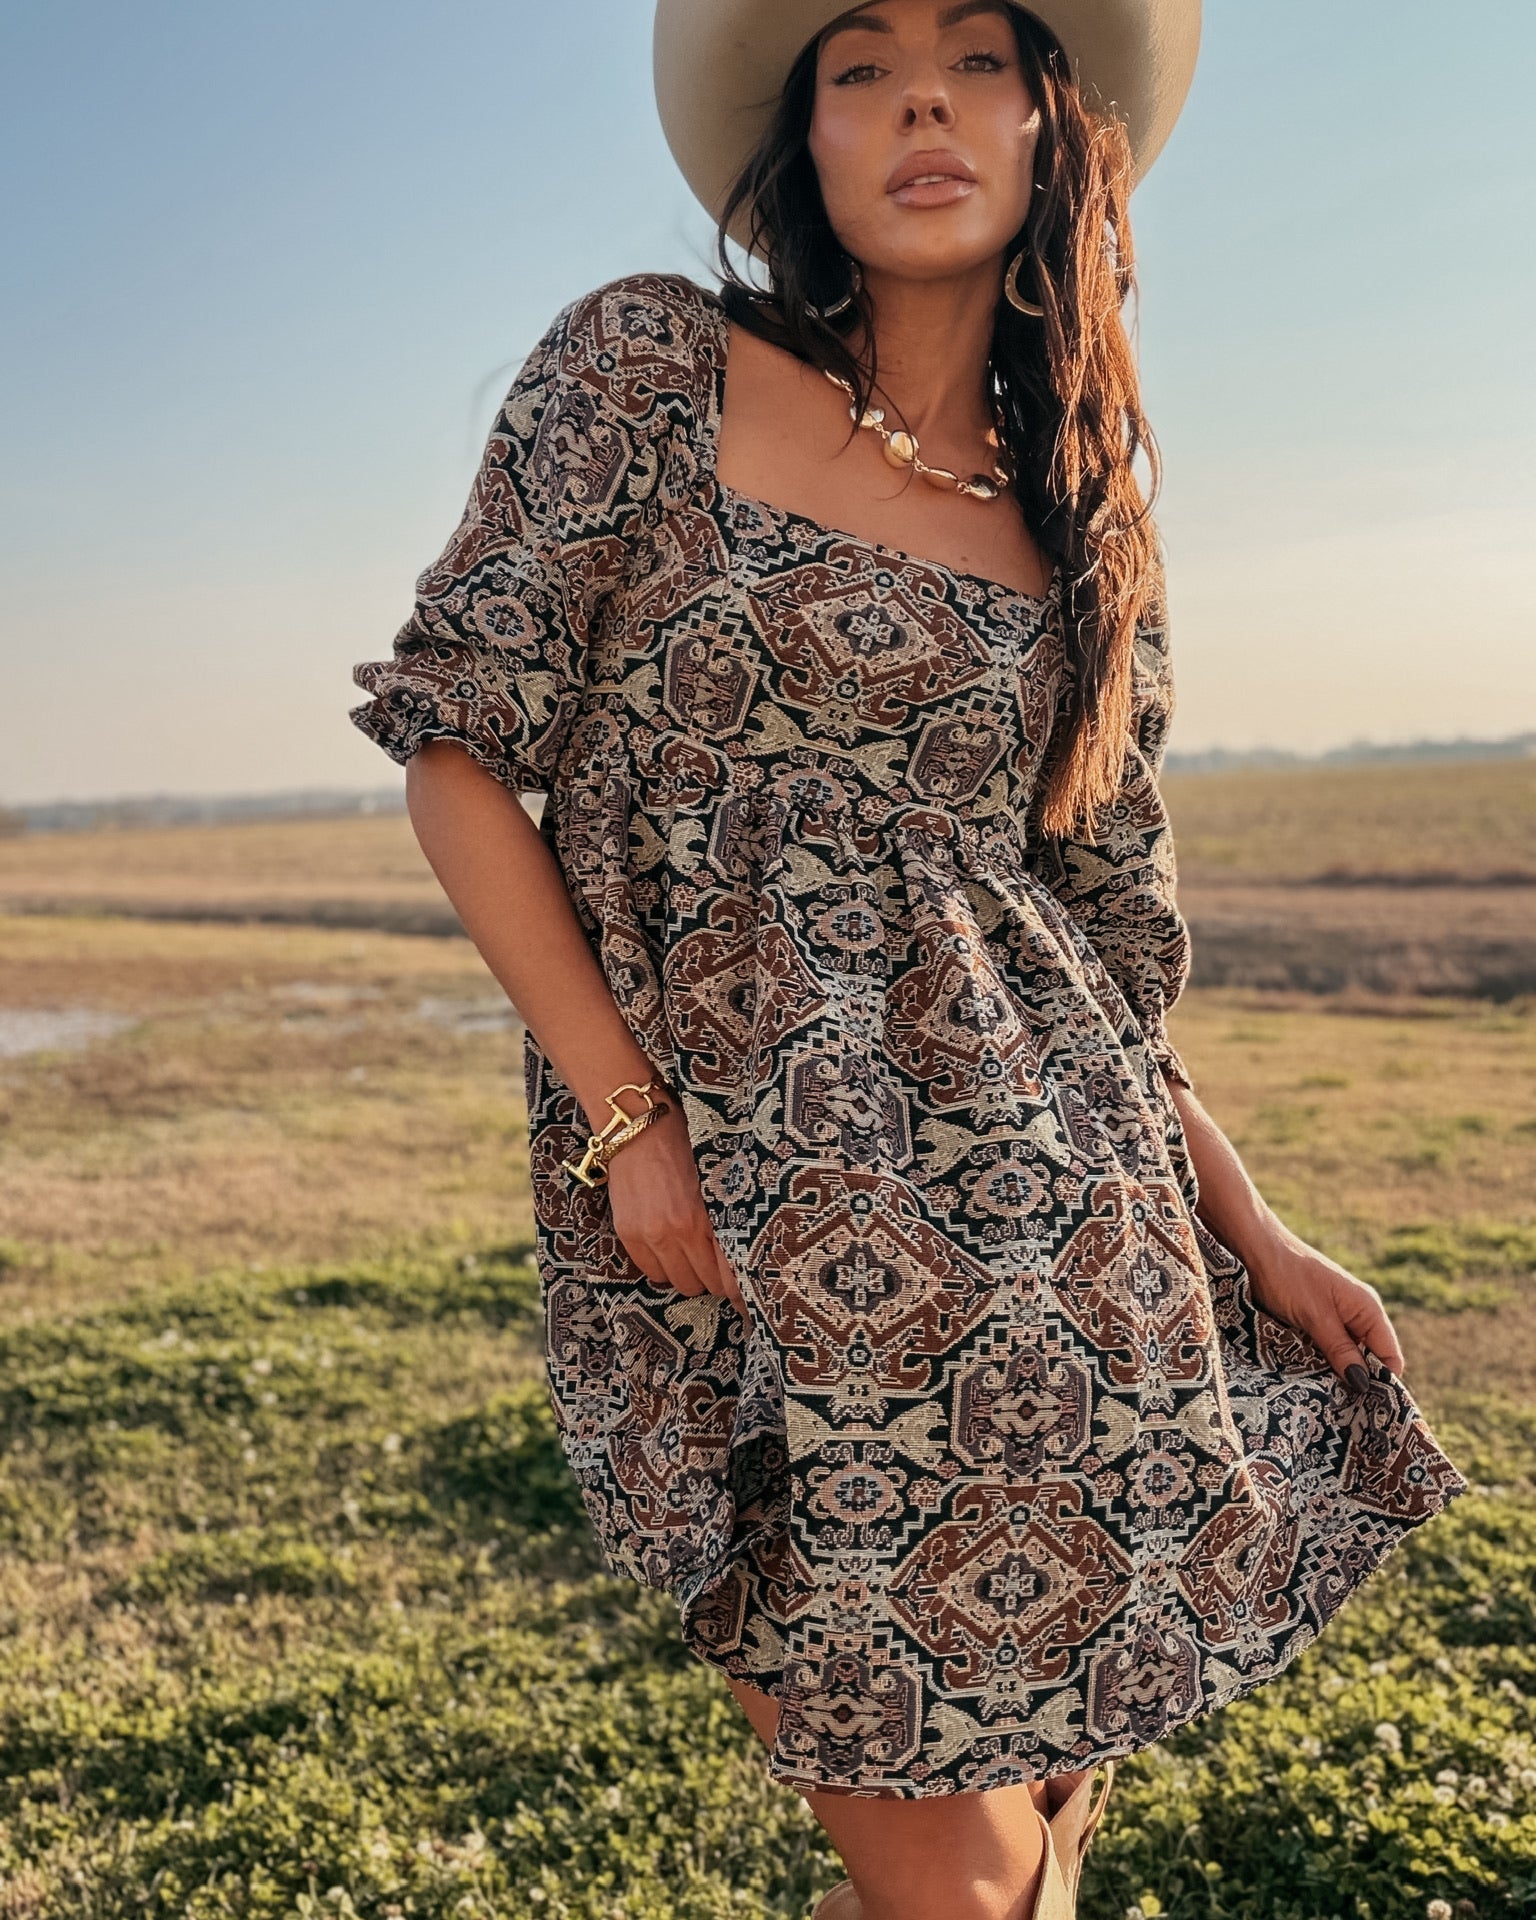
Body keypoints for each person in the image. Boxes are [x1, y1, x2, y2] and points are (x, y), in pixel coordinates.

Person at [350, 3, 1470, 1914]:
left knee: (1010, 1843)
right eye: (860, 66)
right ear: (808, 140)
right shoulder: (647, 365)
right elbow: (456, 754)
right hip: (737, 1213)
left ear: (1051, 127)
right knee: (946, 1864)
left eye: (976, 57)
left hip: (1072, 1237)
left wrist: (1259, 1234)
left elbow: (1104, 946)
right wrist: (626, 1122)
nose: (922, 98)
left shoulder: (1081, 529)